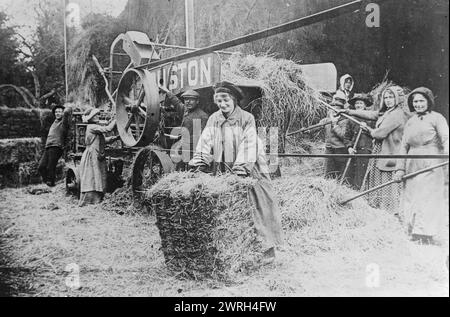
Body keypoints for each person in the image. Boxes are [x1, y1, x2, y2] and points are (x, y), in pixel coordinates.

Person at [189, 81, 283, 261]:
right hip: (223, 168)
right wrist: (200, 161)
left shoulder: (247, 118)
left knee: (258, 206)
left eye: (225, 100)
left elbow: (249, 144)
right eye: (218, 101)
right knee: (229, 210)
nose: (222, 104)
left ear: (233, 100)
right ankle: (235, 251)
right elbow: (205, 140)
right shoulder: (214, 119)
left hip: (249, 168)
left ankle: (267, 251)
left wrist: (240, 170)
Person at [394, 87, 449, 244]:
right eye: (415, 101)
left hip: (431, 162)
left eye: (421, 101)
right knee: (412, 197)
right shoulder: (410, 121)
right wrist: (400, 168)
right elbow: (404, 145)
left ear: (428, 101)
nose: (418, 104)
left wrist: (447, 151)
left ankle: (426, 234)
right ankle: (412, 231)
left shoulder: (437, 118)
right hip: (412, 162)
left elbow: (446, 138)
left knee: (427, 197)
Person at [341, 85, 409, 213]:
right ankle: (380, 209)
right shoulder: (388, 111)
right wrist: (349, 112)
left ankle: (391, 212)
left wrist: (368, 129)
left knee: (388, 182)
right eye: (386, 97)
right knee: (379, 180)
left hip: (391, 152)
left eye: (391, 97)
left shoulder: (397, 114)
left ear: (397, 98)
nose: (388, 100)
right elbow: (372, 114)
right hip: (381, 151)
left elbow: (379, 134)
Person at [160, 87, 209, 169]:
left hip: (194, 150)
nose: (188, 102)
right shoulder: (185, 110)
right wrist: (168, 92)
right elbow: (177, 102)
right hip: (183, 148)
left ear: (197, 101)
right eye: (186, 99)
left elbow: (203, 138)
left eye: (191, 100)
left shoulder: (203, 116)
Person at [78, 108, 119, 207]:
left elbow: (104, 140)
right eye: (95, 116)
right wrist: (117, 119)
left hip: (97, 154)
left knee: (98, 175)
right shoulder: (92, 127)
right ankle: (89, 200)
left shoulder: (95, 128)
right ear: (90, 118)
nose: (98, 117)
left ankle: (97, 199)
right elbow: (108, 129)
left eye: (97, 115)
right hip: (92, 154)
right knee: (91, 175)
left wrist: (117, 138)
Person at [321, 94, 356, 181]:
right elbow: (317, 127)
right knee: (328, 173)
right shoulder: (326, 120)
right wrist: (307, 130)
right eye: (331, 108)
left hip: (340, 149)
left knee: (341, 173)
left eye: (336, 108)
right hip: (329, 149)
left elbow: (344, 136)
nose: (333, 111)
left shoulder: (345, 121)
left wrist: (335, 124)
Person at [38, 103, 72, 187]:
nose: (57, 113)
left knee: (50, 166)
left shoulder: (63, 122)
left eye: (60, 112)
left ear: (63, 113)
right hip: (48, 146)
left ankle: (51, 183)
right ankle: (47, 182)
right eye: (56, 112)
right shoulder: (54, 122)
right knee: (41, 167)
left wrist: (67, 108)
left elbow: (67, 112)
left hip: (56, 146)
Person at [347, 93, 374, 190]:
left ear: (365, 105)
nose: (358, 105)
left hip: (365, 149)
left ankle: (359, 194)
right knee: (350, 173)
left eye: (361, 103)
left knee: (361, 173)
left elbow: (376, 134)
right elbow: (347, 136)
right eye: (357, 103)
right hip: (353, 150)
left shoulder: (371, 118)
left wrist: (367, 128)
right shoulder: (351, 119)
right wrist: (349, 147)